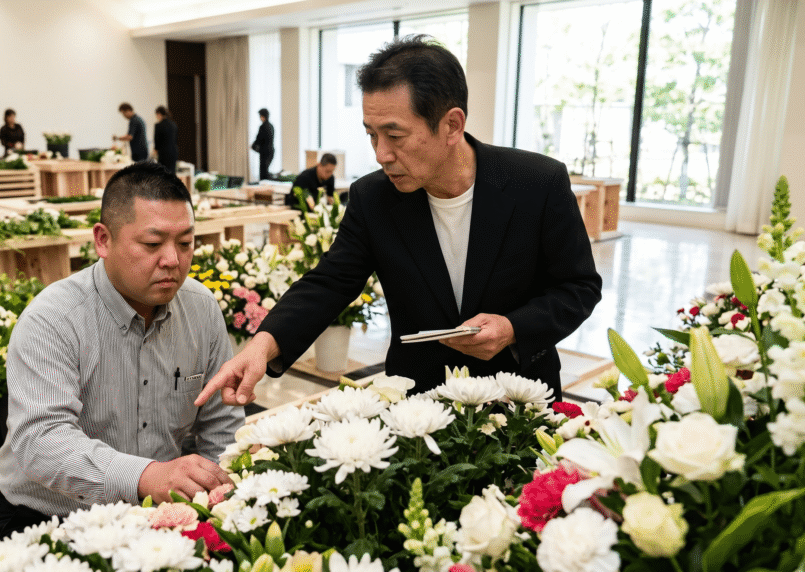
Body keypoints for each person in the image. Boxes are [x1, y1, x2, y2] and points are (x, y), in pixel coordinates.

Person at [197, 35, 602, 408]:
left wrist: (513, 327)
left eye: (395, 135)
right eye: (371, 135)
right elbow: (329, 282)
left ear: (452, 124)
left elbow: (578, 286)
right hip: (418, 402)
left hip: (519, 395)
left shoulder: (536, 182)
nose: (381, 154)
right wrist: (261, 346)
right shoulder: (374, 197)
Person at [0, 162, 242, 545]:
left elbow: (222, 425)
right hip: (49, 517)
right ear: (103, 240)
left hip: (159, 514)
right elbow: (41, 441)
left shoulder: (201, 309)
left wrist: (220, 500)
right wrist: (145, 476)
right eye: (152, 244)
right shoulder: (53, 320)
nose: (173, 259)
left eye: (186, 243)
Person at [151, 105, 179, 174]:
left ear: (159, 114)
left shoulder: (158, 125)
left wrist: (154, 151)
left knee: (163, 174)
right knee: (172, 173)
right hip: (174, 152)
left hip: (164, 153)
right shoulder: (173, 124)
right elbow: (176, 139)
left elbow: (157, 140)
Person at [251, 108, 275, 181]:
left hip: (264, 152)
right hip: (271, 151)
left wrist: (253, 146)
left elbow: (259, 139)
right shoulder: (271, 126)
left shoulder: (263, 127)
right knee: (265, 171)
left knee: (263, 174)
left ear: (262, 116)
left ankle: (263, 189)